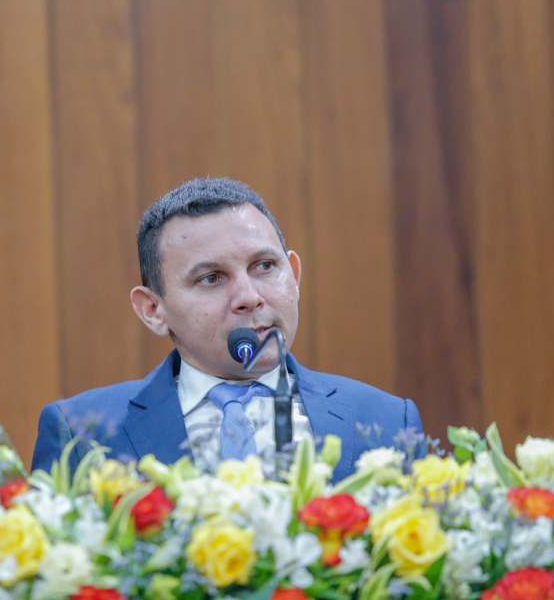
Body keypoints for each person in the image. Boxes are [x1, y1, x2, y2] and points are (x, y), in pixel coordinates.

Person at [31, 178, 422, 480]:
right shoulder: (81, 433)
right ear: (153, 310)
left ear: (294, 274)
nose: (249, 297)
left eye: (264, 267)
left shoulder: (388, 421)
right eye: (211, 278)